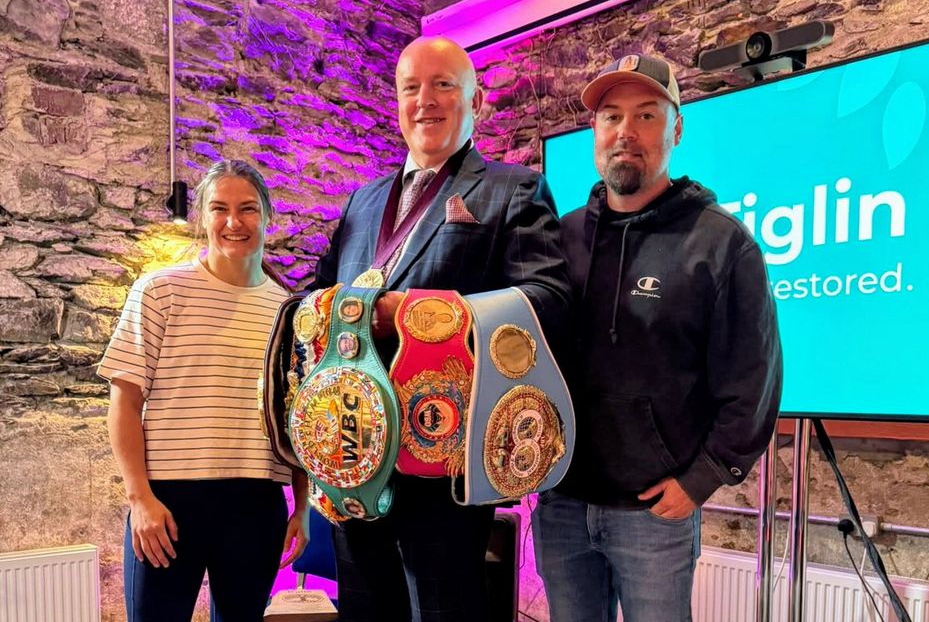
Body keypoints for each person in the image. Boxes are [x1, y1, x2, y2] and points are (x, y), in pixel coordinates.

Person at [313, 36, 569, 622]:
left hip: (444, 455)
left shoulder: (512, 188)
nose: (425, 100)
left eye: (443, 85)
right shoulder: (361, 201)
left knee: (445, 609)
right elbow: (321, 294)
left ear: (476, 100)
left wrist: (409, 315)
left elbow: (546, 299)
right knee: (363, 611)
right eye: (411, 88)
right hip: (352, 449)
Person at [533, 54, 783, 622]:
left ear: (676, 129)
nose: (626, 131)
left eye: (646, 115)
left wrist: (702, 479)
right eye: (611, 116)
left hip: (654, 513)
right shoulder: (561, 239)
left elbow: (754, 383)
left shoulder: (722, 243)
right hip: (562, 505)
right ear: (595, 131)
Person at [99, 160, 309, 622]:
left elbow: (299, 416)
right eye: (219, 208)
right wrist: (139, 499)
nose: (234, 222)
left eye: (247, 208)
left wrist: (303, 506)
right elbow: (125, 402)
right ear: (202, 217)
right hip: (168, 504)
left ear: (268, 217)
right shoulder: (159, 291)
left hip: (257, 505)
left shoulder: (290, 311)